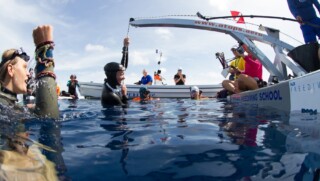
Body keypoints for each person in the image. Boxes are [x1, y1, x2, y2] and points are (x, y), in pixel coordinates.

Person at [101, 37, 129, 107]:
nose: (124, 77)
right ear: (112, 75)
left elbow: (123, 66)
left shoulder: (109, 82)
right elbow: (124, 112)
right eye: (121, 74)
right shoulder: (111, 96)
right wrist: (124, 94)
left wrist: (126, 47)